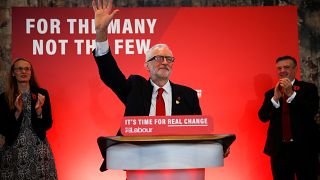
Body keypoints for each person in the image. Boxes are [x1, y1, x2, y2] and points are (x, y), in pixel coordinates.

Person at [92, 0, 202, 171]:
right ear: (147, 65)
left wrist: (217, 148)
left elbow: (199, 135)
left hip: (178, 166)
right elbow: (110, 75)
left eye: (169, 59)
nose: (164, 62)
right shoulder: (136, 87)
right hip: (138, 162)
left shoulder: (189, 95)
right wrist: (101, 33)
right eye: (158, 58)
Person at [258, 55, 319, 180]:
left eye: (286, 67)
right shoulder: (271, 93)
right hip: (279, 151)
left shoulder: (308, 88)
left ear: (295, 69)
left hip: (305, 148)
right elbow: (262, 117)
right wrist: (275, 99)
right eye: (279, 68)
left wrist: (291, 94)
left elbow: (311, 112)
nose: (282, 71)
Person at [0, 58, 57, 179]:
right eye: (19, 69)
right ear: (13, 73)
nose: (23, 71)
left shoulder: (42, 94)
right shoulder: (4, 97)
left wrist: (38, 110)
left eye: (27, 69)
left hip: (39, 151)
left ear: (31, 73)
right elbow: (3, 129)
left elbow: (48, 124)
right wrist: (17, 112)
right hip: (13, 151)